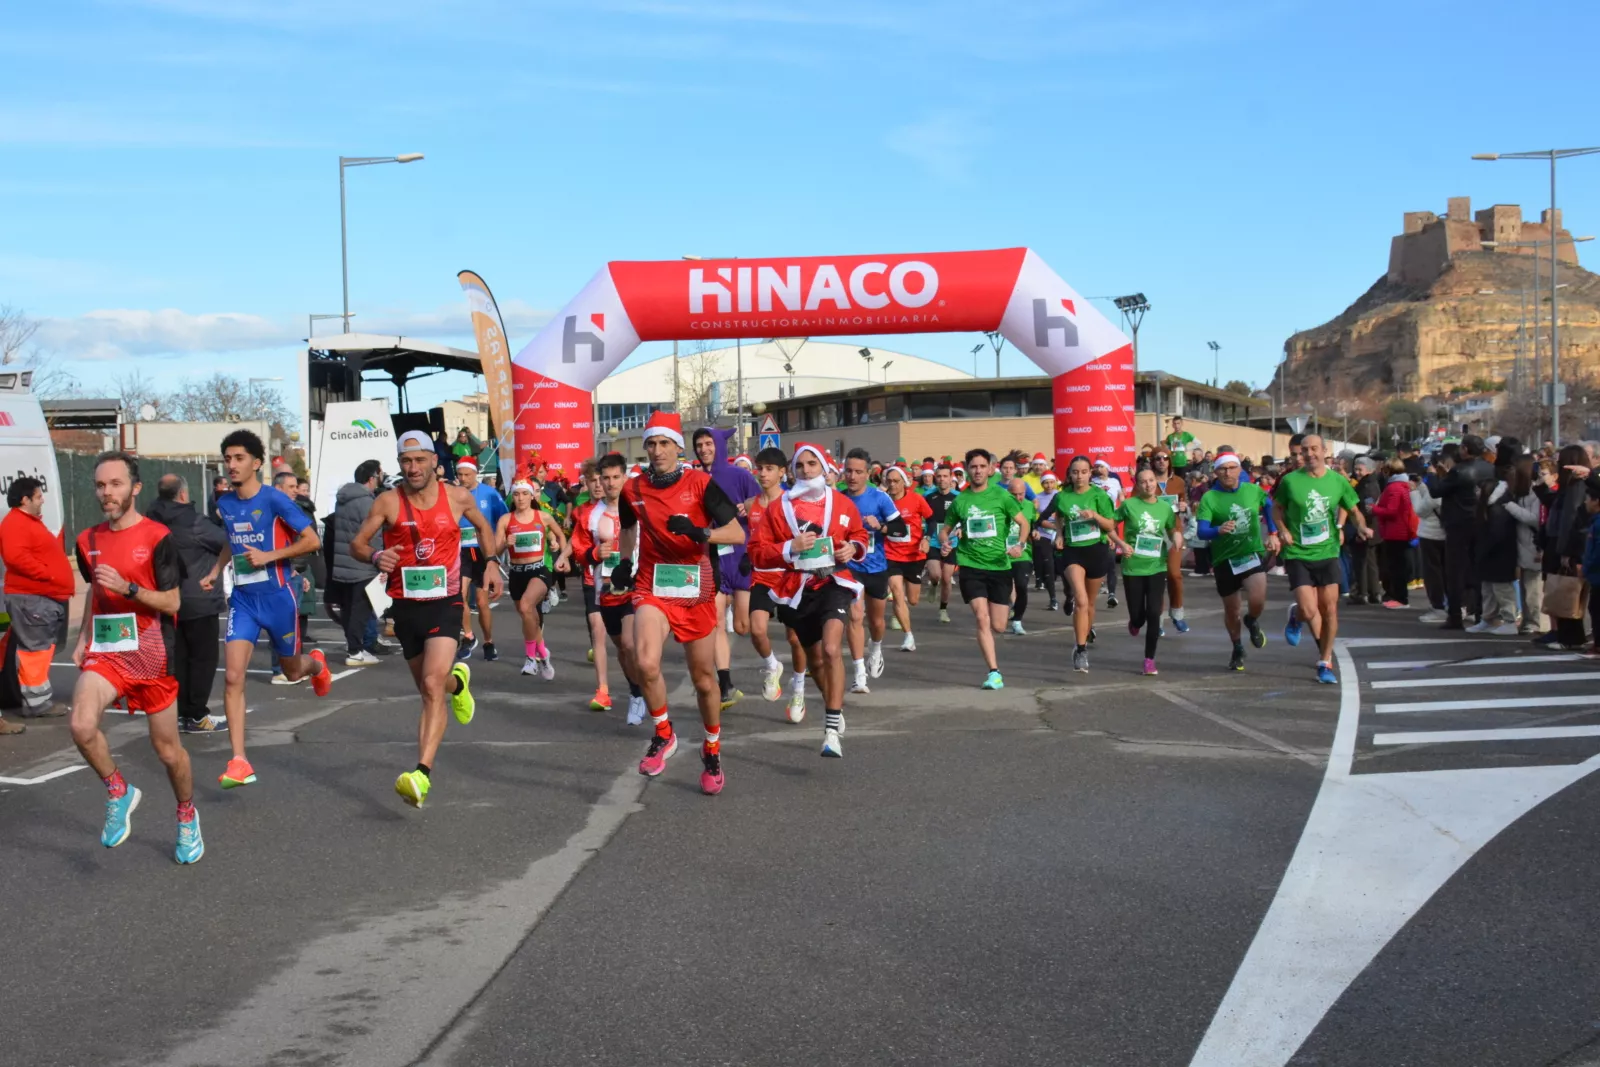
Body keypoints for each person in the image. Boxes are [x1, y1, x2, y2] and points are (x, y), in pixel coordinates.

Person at [350, 430, 499, 806]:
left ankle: (422, 773)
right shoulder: (388, 501)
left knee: (432, 686)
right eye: (406, 461)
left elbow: (482, 527)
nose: (413, 467)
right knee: (431, 686)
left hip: (446, 601)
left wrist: (493, 563)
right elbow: (358, 542)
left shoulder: (457, 497)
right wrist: (374, 557)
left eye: (420, 460)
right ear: (399, 464)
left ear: (435, 460)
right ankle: (459, 684)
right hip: (406, 607)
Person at [67, 452, 203, 863]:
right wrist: (83, 637)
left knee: (167, 753)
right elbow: (94, 589)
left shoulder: (157, 536)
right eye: (101, 485)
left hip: (152, 652)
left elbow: (174, 599)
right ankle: (118, 790)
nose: (106, 493)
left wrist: (130, 589)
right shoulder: (87, 540)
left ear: (135, 488)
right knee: (81, 724)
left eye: (116, 484)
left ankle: (186, 815)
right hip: (108, 653)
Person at [613, 412, 744, 794]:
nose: (657, 451)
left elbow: (736, 532)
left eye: (664, 443)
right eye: (651, 443)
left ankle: (712, 748)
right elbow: (627, 526)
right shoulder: (632, 489)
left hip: (696, 588)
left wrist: (701, 531)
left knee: (705, 682)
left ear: (677, 447)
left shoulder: (701, 483)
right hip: (652, 585)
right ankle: (664, 734)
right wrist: (624, 562)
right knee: (645, 661)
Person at [204, 430, 332, 788]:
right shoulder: (225, 504)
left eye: (239, 458)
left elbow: (312, 540)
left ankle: (317, 665)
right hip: (244, 601)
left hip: (278, 599)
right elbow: (232, 540)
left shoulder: (275, 500)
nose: (231, 465)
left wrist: (270, 556)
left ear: (256, 463)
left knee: (292, 673)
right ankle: (239, 760)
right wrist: (215, 571)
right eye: (227, 458)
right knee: (232, 677)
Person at [749, 443, 869, 756]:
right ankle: (835, 707)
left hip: (834, 582)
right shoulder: (779, 508)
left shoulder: (841, 503)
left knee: (832, 648)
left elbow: (859, 535)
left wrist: (853, 548)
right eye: (800, 465)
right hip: (795, 589)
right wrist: (790, 546)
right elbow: (757, 551)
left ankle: (830, 731)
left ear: (825, 467)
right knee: (816, 662)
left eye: (812, 464)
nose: (805, 471)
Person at [1275, 435, 1374, 684]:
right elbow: (1276, 508)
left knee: (1329, 609)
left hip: (1328, 551)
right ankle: (1298, 615)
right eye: (1305, 450)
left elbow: (1353, 510)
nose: (1309, 454)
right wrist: (1281, 529)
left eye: (1314, 449)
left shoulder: (1338, 481)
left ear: (1324, 451)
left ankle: (1325, 660)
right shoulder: (1290, 481)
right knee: (1310, 610)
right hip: (1298, 552)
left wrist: (1360, 527)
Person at [145, 475, 228, 732]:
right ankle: (196, 715)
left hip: (165, 599)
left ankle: (181, 714)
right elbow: (227, 542)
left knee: (177, 659)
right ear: (182, 494)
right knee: (203, 659)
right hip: (198, 598)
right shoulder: (193, 521)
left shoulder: (149, 520)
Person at [939, 448, 1027, 689]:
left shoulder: (1002, 496)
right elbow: (945, 529)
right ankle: (994, 672)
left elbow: (1023, 523)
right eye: (973, 466)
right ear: (967, 469)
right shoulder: (961, 500)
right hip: (970, 565)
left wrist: (1020, 544)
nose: (977, 471)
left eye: (981, 466)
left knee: (998, 625)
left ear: (990, 469)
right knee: (981, 617)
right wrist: (945, 542)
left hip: (999, 565)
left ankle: (994, 656)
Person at [563, 459, 642, 717]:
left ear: (624, 478)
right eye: (605, 478)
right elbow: (578, 550)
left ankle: (640, 695)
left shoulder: (638, 508)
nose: (609, 484)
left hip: (637, 584)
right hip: (605, 588)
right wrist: (594, 553)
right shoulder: (589, 514)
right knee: (621, 647)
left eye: (615, 477)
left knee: (630, 644)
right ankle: (635, 689)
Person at [693, 426, 760, 708]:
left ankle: (771, 665)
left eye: (709, 443)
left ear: (719, 445)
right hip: (712, 555)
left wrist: (749, 506)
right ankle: (726, 684)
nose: (704, 449)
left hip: (741, 554)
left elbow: (764, 502)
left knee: (744, 626)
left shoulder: (739, 475)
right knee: (717, 620)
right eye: (699, 444)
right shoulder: (693, 478)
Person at [740, 447, 809, 719]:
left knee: (795, 638)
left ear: (783, 472)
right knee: (756, 630)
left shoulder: (794, 503)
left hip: (790, 575)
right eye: (760, 468)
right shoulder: (749, 505)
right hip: (762, 574)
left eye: (769, 469)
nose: (763, 473)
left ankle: (799, 691)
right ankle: (772, 666)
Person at [1, 477, 73, 728]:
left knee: (38, 649)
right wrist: (48, 573)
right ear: (25, 500)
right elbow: (15, 556)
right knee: (35, 650)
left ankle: (37, 701)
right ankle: (36, 703)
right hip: (32, 597)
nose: (43, 499)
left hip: (38, 596)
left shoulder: (25, 522)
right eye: (38, 495)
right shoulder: (16, 523)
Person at [1196, 453, 1277, 671]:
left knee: (1258, 597)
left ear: (1240, 470)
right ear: (1216, 472)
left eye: (1232, 468)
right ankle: (1237, 647)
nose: (1228, 472)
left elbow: (1269, 505)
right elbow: (1202, 532)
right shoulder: (1209, 498)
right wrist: (1217, 530)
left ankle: (1252, 620)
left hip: (1250, 553)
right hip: (1224, 560)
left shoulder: (1252, 490)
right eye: (1223, 469)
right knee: (1232, 611)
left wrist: (1273, 531)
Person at [1044, 456, 1120, 673]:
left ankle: (1086, 633)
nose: (1079, 476)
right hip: (1072, 551)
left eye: (1084, 472)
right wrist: (1059, 533)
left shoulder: (1099, 495)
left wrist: (1094, 515)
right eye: (1075, 472)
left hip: (1096, 550)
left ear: (1090, 474)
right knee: (1081, 599)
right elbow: (1058, 516)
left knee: (1091, 604)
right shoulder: (1062, 496)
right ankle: (1080, 649)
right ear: (1070, 474)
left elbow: (1110, 524)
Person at [841, 448, 899, 692]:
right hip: (848, 566)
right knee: (855, 617)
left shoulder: (880, 499)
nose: (852, 476)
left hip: (876, 567)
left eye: (858, 472)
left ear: (868, 473)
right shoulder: (838, 498)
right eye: (849, 471)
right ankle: (859, 673)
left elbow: (901, 530)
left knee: (876, 620)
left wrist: (882, 526)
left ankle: (875, 649)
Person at [495, 479, 566, 679]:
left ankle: (530, 658)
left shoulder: (543, 517)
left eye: (525, 494)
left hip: (539, 570)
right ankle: (543, 653)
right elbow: (494, 551)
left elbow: (561, 536)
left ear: (532, 496)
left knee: (527, 606)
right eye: (516, 494)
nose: (521, 498)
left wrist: (559, 552)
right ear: (512, 497)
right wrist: (505, 544)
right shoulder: (505, 520)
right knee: (530, 617)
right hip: (517, 572)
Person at [1115, 468, 1182, 675]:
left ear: (1156, 483)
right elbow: (1110, 525)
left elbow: (1172, 527)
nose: (1148, 485)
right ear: (1137, 484)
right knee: (1138, 616)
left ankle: (1149, 659)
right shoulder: (1128, 505)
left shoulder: (1165, 507)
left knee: (1154, 612)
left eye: (1151, 480)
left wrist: (1177, 535)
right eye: (1143, 481)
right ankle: (1135, 623)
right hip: (1133, 566)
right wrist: (1119, 543)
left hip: (1156, 565)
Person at [1429, 434, 1492, 629]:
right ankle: (1481, 612)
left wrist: (1432, 474)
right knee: (1479, 568)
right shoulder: (1489, 469)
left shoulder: (1459, 471)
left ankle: (1455, 614)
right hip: (1482, 521)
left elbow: (1436, 491)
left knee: (1455, 571)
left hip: (1458, 523)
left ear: (1466, 449)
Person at [329, 460, 387, 665]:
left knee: (349, 609)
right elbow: (375, 536)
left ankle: (354, 648)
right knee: (360, 611)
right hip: (363, 564)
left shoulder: (343, 499)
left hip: (343, 562)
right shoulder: (368, 503)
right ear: (372, 478)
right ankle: (355, 652)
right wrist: (381, 562)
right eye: (380, 473)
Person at [455, 456, 510, 662]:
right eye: (459, 475)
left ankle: (488, 641)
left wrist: (497, 550)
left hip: (482, 553)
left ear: (475, 473)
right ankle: (468, 636)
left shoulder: (489, 493)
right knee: (458, 597)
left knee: (481, 601)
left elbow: (503, 521)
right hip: (461, 552)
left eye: (467, 475)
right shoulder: (453, 494)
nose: (463, 479)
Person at [269, 470, 319, 684]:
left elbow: (305, 542)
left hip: (295, 571)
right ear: (278, 488)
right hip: (280, 575)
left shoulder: (293, 510)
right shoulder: (272, 513)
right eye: (291, 487)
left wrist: (300, 571)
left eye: (297, 487)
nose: (296, 491)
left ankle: (292, 668)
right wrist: (291, 569)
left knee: (292, 625)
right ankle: (279, 669)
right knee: (280, 624)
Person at [881, 464, 932, 651]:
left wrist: (926, 538)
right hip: (891, 553)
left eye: (896, 481)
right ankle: (908, 636)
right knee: (897, 593)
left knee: (913, 599)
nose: (892, 485)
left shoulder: (916, 499)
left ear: (904, 482)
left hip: (914, 554)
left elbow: (932, 520)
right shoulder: (883, 501)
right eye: (889, 481)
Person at [1149, 448, 1191, 633]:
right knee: (1156, 578)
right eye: (1157, 458)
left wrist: (1184, 506)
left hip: (1174, 532)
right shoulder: (1146, 481)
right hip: (1152, 534)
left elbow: (1185, 506)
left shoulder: (1179, 482)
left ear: (1170, 461)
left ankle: (1177, 614)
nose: (1161, 461)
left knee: (1174, 575)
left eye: (1165, 458)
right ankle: (1157, 620)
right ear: (1153, 462)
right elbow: (1134, 504)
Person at [1369, 457, 1417, 608]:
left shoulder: (1394, 487)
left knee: (1396, 567)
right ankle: (1400, 597)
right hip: (1403, 530)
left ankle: (1400, 599)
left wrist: (1374, 509)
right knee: (1399, 566)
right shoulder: (1405, 485)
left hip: (1395, 532)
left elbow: (1391, 510)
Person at [923, 464, 960, 623]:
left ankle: (943, 609)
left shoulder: (958, 496)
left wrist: (961, 529)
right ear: (934, 478)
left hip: (951, 540)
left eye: (945, 476)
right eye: (939, 476)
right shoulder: (928, 496)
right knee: (936, 574)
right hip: (933, 540)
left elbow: (964, 517)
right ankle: (933, 583)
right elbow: (921, 517)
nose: (942, 479)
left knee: (946, 578)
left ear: (951, 477)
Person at [1412, 461, 1448, 623]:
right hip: (1449, 535)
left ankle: (1438, 607)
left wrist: (1414, 492)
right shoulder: (1453, 486)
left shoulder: (1436, 491)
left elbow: (1420, 510)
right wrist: (1421, 487)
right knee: (1449, 572)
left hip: (1431, 535)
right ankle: (1455, 606)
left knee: (1433, 573)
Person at [1346, 455, 1384, 606]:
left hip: (1366, 528)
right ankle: (1374, 593)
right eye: (1355, 469)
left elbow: (1368, 509)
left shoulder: (1367, 486)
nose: (1357, 472)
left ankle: (1363, 593)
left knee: (1362, 563)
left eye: (1359, 469)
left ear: (1368, 470)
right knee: (1370, 563)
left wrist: (1362, 528)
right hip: (1372, 529)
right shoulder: (1371, 483)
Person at [1004, 477, 1039, 635]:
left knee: (1022, 586)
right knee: (1002, 589)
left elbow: (1032, 525)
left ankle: (1017, 621)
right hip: (1002, 553)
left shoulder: (1029, 506)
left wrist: (1035, 532)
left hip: (1022, 553)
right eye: (1014, 494)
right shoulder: (1001, 505)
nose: (1018, 497)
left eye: (1022, 494)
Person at [1033, 471, 1061, 611]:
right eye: (1045, 482)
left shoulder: (1061, 496)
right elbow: (1036, 519)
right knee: (1048, 564)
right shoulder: (1037, 498)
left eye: (1051, 482)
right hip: (1045, 533)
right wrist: (1048, 526)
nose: (1049, 485)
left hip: (1060, 533)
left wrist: (1058, 528)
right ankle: (1053, 598)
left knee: (1060, 566)